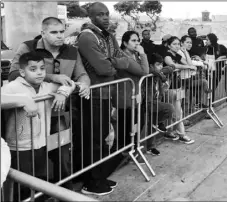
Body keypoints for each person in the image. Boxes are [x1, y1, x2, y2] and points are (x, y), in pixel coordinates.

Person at [8, 16, 91, 191]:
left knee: (62, 154)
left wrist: (84, 85)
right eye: (54, 32)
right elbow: (14, 74)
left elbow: (81, 75)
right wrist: (52, 77)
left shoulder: (71, 51)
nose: (60, 36)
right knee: (31, 158)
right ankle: (33, 193)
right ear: (43, 33)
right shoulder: (28, 47)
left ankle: (63, 191)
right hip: (31, 114)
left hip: (59, 113)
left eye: (62, 31)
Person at [76, 2, 147, 195]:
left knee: (101, 138)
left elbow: (120, 59)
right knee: (93, 140)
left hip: (107, 93)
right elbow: (104, 69)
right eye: (100, 15)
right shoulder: (87, 37)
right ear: (91, 17)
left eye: (107, 14)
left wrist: (113, 61)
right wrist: (115, 63)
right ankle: (90, 183)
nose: (105, 18)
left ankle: (98, 177)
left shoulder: (107, 36)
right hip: (93, 95)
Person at [2, 52, 75, 201]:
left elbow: (71, 84)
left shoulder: (46, 86)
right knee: (21, 184)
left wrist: (62, 93)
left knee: (38, 180)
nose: (39, 72)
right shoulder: (13, 87)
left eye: (42, 68)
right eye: (33, 69)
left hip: (41, 143)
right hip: (20, 146)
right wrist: (23, 100)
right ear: (22, 72)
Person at [113, 30, 149, 162]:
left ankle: (133, 150)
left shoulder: (134, 55)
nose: (137, 43)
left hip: (136, 96)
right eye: (133, 41)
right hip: (126, 98)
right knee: (127, 127)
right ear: (124, 42)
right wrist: (143, 53)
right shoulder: (124, 57)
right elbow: (144, 71)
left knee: (137, 124)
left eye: (138, 40)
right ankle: (126, 153)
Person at [141, 53, 176, 156]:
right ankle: (141, 148)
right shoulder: (149, 74)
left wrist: (160, 72)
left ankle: (151, 147)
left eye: (161, 64)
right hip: (147, 103)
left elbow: (171, 67)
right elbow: (150, 70)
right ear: (151, 65)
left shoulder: (158, 74)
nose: (160, 66)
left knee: (153, 123)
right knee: (169, 108)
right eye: (158, 64)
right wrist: (159, 74)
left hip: (156, 101)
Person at [163, 36, 195, 144]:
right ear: (168, 45)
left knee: (174, 110)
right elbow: (172, 65)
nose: (177, 46)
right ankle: (182, 134)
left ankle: (169, 131)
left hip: (177, 86)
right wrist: (186, 67)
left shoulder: (176, 55)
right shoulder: (167, 55)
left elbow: (189, 64)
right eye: (174, 44)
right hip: (169, 87)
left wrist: (185, 52)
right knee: (177, 111)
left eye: (178, 44)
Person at [178, 35, 211, 109]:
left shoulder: (185, 52)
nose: (190, 44)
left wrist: (200, 62)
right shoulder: (180, 52)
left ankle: (200, 103)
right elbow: (189, 63)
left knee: (201, 82)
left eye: (191, 43)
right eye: (187, 42)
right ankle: (203, 103)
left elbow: (190, 62)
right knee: (203, 82)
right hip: (182, 79)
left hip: (187, 78)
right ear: (182, 43)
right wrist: (201, 63)